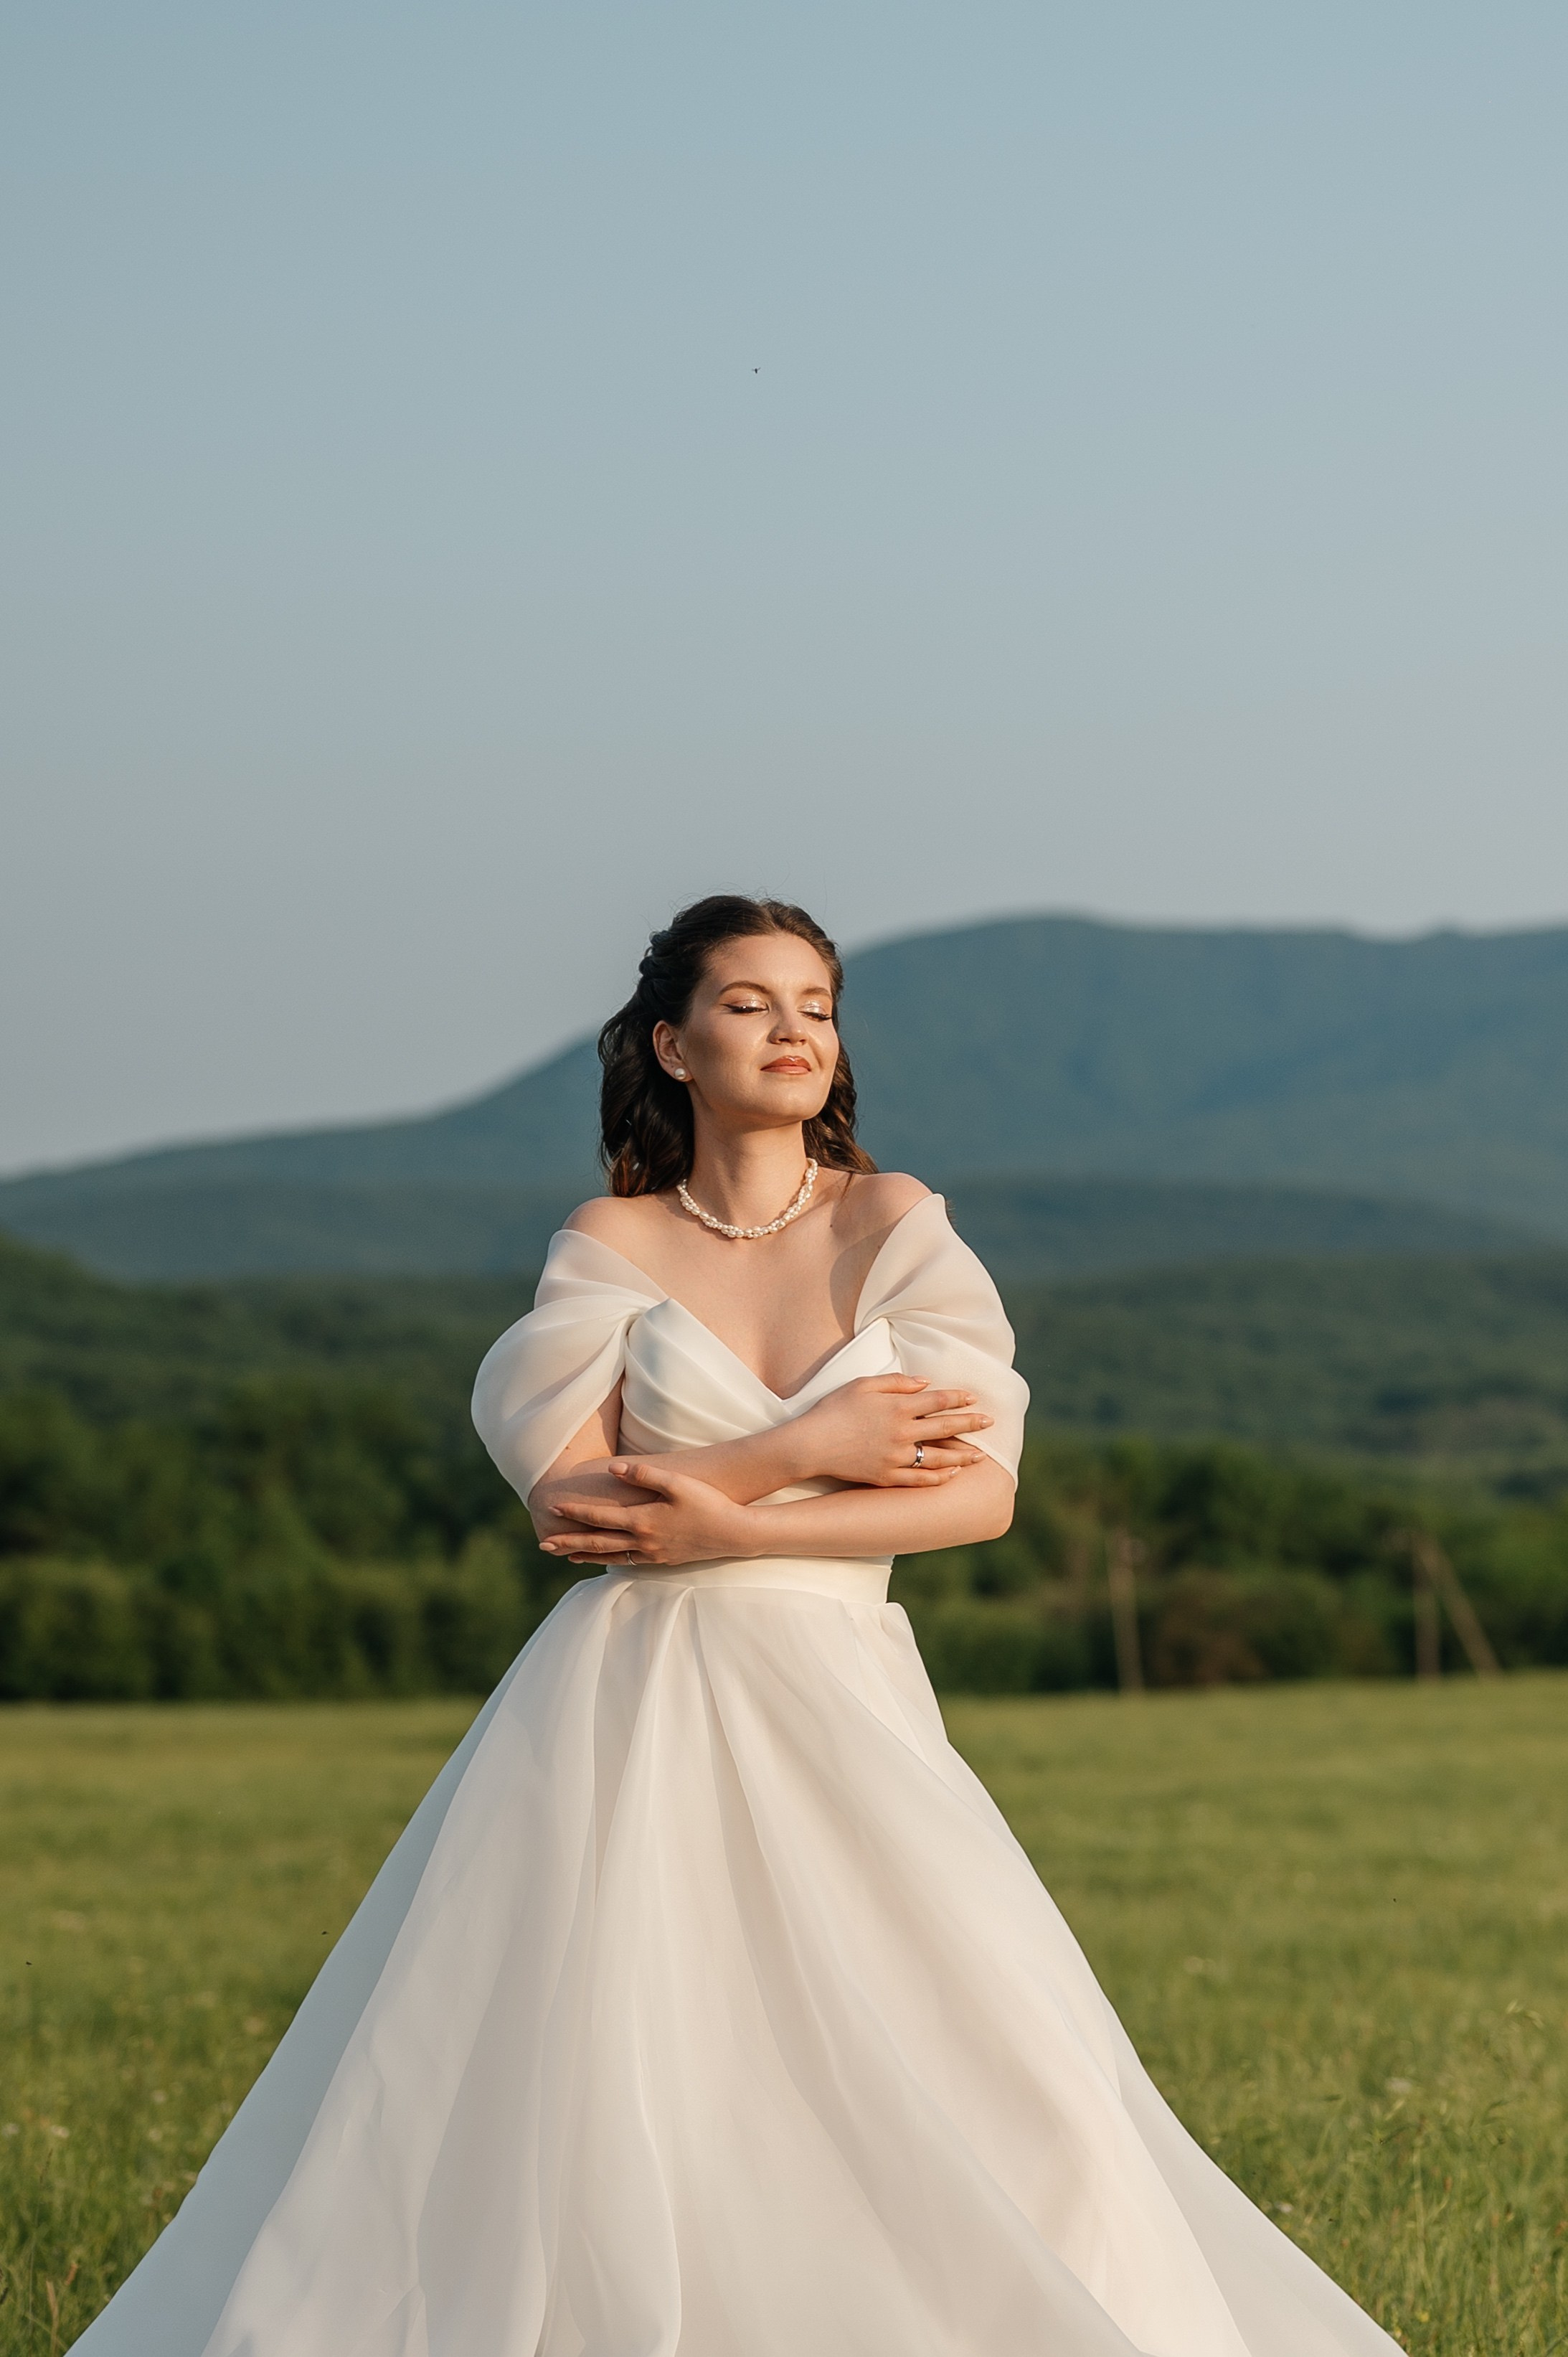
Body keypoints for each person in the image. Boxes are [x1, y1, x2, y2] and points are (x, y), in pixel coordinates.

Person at [74, 895, 1399, 2356]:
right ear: (673, 1041)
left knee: (1007, 2076)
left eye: (817, 1005)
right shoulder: (610, 1239)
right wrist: (798, 1444)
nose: (792, 1030)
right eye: (753, 1001)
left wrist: (736, 1527)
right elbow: (572, 1507)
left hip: (838, 1688)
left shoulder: (895, 1225)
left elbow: (976, 1498)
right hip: (627, 1699)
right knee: (605, 2082)